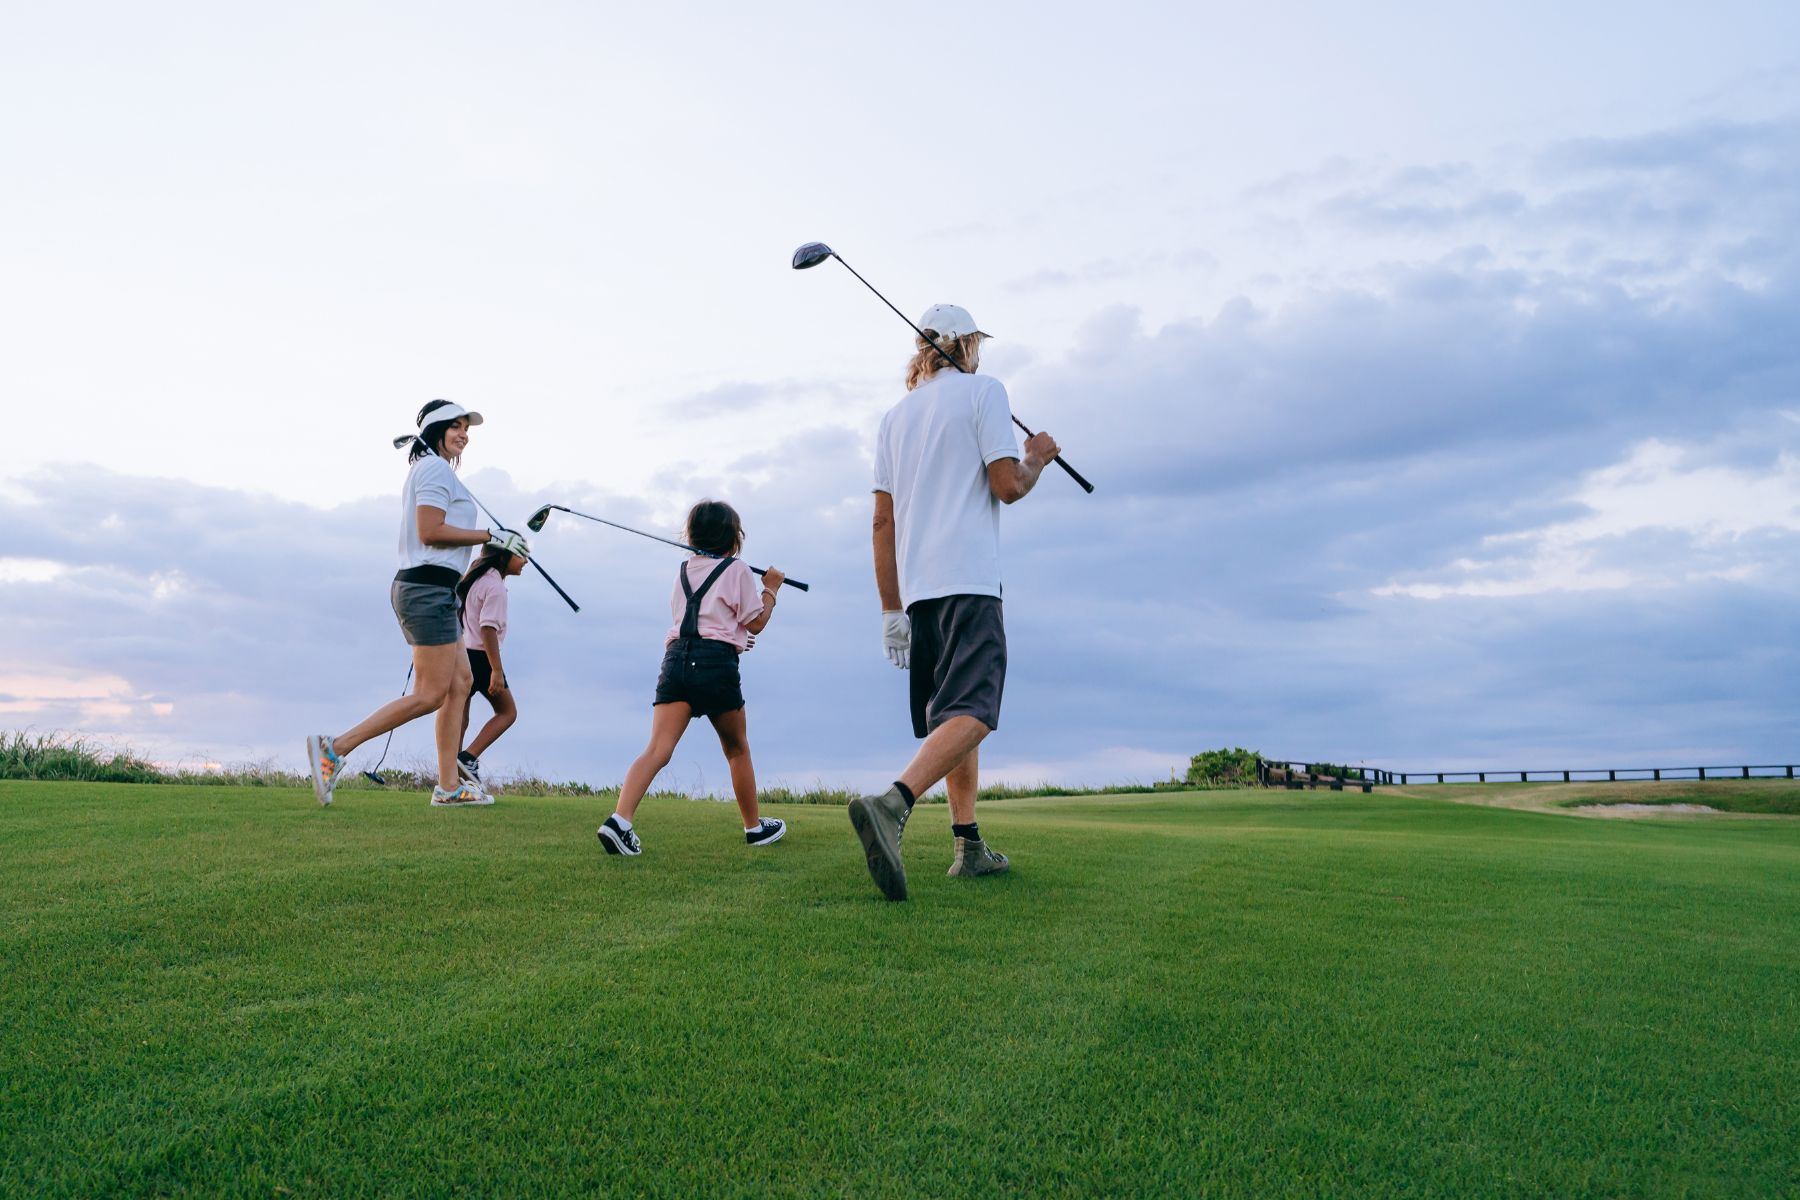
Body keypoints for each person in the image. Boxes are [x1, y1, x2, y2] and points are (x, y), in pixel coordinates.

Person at [847, 304, 1060, 901]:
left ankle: (968, 845)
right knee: (978, 709)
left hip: (919, 593)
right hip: (968, 579)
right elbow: (1007, 486)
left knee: (952, 715)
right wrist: (1037, 455)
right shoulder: (983, 391)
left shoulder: (893, 418)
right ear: (965, 346)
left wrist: (891, 610)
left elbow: (881, 523)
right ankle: (894, 804)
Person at [305, 400, 529, 807]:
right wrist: (489, 537)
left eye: (467, 429)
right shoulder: (432, 469)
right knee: (429, 694)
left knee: (461, 683)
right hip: (425, 589)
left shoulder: (436, 470)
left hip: (437, 589)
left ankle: (447, 787)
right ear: (437, 429)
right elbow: (429, 531)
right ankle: (335, 748)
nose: (464, 434)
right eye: (456, 427)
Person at [598, 500, 788, 855]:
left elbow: (697, 622)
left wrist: (732, 637)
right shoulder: (738, 569)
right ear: (734, 538)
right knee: (736, 748)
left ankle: (620, 820)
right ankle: (754, 827)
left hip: (676, 660)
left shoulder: (683, 570)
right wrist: (771, 589)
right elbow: (756, 622)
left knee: (657, 749)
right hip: (716, 665)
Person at [455, 539, 529, 791]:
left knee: (459, 716)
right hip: (481, 657)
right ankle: (467, 758)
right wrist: (496, 670)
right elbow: (488, 628)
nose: (526, 562)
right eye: (521, 556)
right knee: (508, 712)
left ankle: (452, 776)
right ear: (504, 556)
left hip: (462, 653)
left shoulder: (475, 579)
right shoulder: (495, 587)